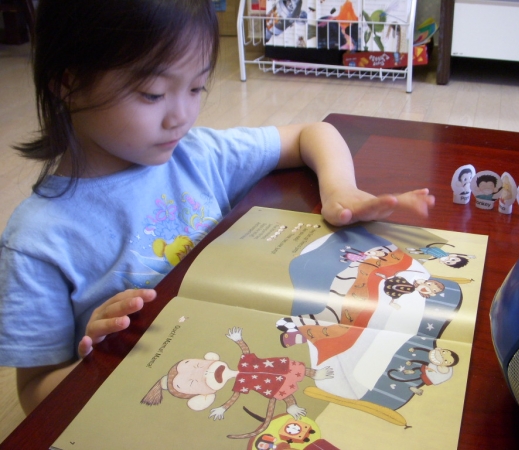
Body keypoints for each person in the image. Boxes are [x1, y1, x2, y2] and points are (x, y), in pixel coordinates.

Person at [0, 0, 435, 415]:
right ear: (68, 82)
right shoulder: (38, 242)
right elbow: (34, 392)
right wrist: (94, 363)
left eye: (196, 87)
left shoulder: (196, 155)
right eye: (152, 94)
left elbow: (312, 133)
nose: (182, 116)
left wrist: (341, 189)